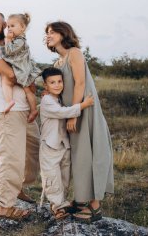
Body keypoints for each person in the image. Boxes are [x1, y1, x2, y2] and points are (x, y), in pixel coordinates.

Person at [45, 21, 114, 223]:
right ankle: (82, 199)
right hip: (71, 112)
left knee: (90, 153)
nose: (48, 35)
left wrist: (75, 114)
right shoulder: (58, 62)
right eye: (46, 33)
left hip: (84, 111)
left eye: (52, 32)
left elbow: (81, 83)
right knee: (78, 157)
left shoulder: (74, 53)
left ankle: (95, 206)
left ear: (63, 33)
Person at [0, 12, 40, 220]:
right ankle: (5, 207)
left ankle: (18, 187)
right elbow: (13, 75)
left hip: (24, 109)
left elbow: (28, 70)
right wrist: (29, 80)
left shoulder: (15, 45)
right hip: (7, 111)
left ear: (5, 25)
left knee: (35, 152)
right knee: (11, 158)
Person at [39, 67, 94, 219]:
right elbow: (62, 113)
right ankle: (58, 206)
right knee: (52, 176)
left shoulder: (60, 98)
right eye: (52, 82)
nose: (57, 85)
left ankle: (60, 202)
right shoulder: (47, 100)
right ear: (45, 86)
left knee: (64, 176)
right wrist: (83, 104)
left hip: (63, 145)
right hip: (50, 146)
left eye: (59, 81)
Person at [1, 13, 40, 123]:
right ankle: (33, 110)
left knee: (6, 81)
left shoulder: (19, 41)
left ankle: (9, 101)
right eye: (8, 26)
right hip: (23, 69)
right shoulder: (20, 40)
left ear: (23, 27)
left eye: (12, 26)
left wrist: (7, 39)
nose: (9, 29)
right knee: (28, 91)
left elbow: (9, 51)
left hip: (20, 70)